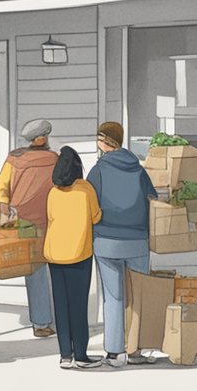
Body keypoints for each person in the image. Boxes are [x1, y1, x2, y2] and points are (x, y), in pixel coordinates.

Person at [86, 121, 157, 368]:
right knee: (138, 297)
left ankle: (115, 353)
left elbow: (89, 204)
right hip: (137, 240)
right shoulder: (138, 169)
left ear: (104, 141)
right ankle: (135, 350)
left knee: (114, 296)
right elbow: (152, 198)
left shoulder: (98, 171)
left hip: (106, 241)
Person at [0, 118, 58, 338]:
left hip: (24, 222)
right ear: (42, 138)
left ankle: (41, 322)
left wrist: (5, 207)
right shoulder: (54, 159)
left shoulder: (14, 159)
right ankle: (57, 318)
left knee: (35, 272)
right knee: (56, 268)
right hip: (52, 220)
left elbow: (0, 191)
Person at [45, 146, 102, 369]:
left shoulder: (53, 192)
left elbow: (50, 217)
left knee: (61, 305)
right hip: (79, 253)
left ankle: (64, 356)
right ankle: (81, 354)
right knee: (78, 306)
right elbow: (96, 217)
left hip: (54, 254)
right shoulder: (85, 189)